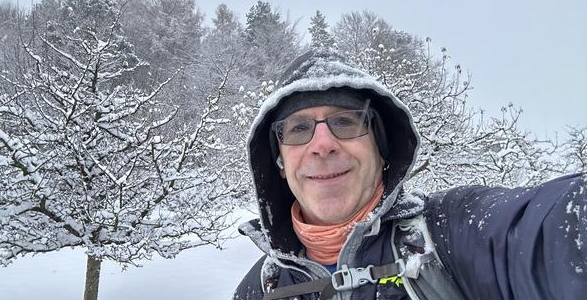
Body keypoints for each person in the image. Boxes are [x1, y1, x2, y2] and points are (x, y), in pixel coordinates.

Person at [233, 51, 586, 300]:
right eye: (298, 129)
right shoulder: (259, 289)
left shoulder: (455, 232)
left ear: (382, 150)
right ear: (279, 162)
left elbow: (549, 232)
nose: (322, 144)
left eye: (346, 121)